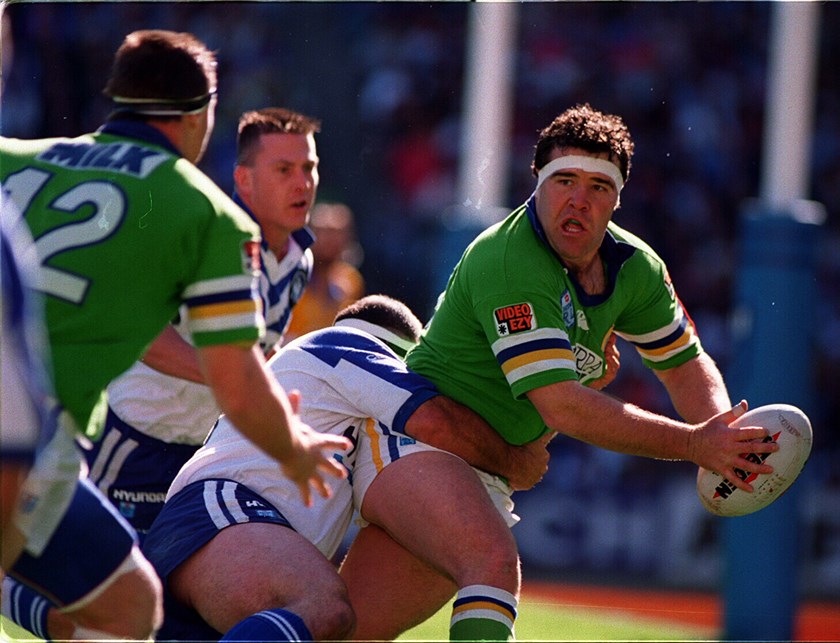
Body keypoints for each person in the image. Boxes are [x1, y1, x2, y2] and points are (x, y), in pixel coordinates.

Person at [337, 103, 780, 639]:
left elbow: (685, 363)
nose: (578, 199)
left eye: (598, 186)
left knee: (345, 632)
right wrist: (694, 445)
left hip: (483, 468)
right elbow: (562, 405)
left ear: (617, 199)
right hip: (419, 438)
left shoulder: (637, 269)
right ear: (537, 184)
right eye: (564, 179)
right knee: (493, 568)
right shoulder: (510, 260)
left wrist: (722, 434)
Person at [0, 30, 347, 640]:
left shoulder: (16, 157)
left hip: (103, 443)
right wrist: (293, 450)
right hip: (34, 441)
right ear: (202, 114)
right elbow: (236, 384)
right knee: (132, 607)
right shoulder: (208, 215)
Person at [141, 294, 551, 641]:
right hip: (219, 511)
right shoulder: (347, 343)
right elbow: (435, 421)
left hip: (222, 533)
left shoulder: (325, 378)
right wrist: (516, 462)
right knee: (324, 606)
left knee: (323, 618)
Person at [285, 201, 365, 341]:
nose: (330, 240)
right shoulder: (292, 278)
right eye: (323, 232)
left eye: (337, 233)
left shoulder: (351, 281)